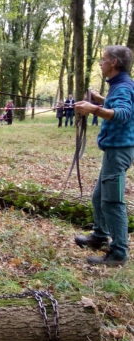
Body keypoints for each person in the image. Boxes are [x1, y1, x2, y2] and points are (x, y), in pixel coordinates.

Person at [74, 45, 134, 266]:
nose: (101, 63)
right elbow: (118, 105)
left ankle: (119, 252)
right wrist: (101, 100)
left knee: (112, 201)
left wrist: (94, 109)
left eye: (103, 59)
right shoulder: (120, 85)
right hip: (115, 150)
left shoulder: (123, 87)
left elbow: (124, 113)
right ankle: (99, 236)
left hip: (119, 152)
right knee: (99, 197)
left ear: (115, 63)